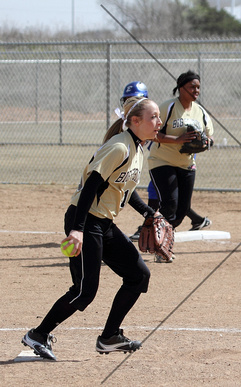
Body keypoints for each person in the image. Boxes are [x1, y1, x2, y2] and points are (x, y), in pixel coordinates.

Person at [21, 97, 162, 361]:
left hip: (104, 223)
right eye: (153, 117)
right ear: (135, 121)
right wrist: (77, 230)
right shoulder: (119, 147)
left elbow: (124, 189)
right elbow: (90, 186)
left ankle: (109, 337)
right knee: (85, 291)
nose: (159, 122)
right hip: (85, 220)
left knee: (138, 276)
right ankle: (38, 334)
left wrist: (149, 213)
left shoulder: (138, 149)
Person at [117, 82, 212, 243]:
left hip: (178, 161)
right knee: (168, 200)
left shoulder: (150, 116)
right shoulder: (132, 120)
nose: (129, 103)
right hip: (160, 162)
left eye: (134, 99)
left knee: (171, 201)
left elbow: (156, 136)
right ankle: (159, 226)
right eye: (126, 99)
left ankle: (152, 226)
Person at [148, 70, 214, 261]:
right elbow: (153, 133)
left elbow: (210, 136)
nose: (196, 91)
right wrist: (177, 140)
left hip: (186, 164)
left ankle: (158, 236)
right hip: (162, 161)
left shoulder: (200, 112)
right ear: (181, 88)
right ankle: (162, 248)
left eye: (198, 87)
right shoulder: (168, 108)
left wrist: (205, 143)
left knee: (182, 209)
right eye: (192, 86)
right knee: (170, 203)